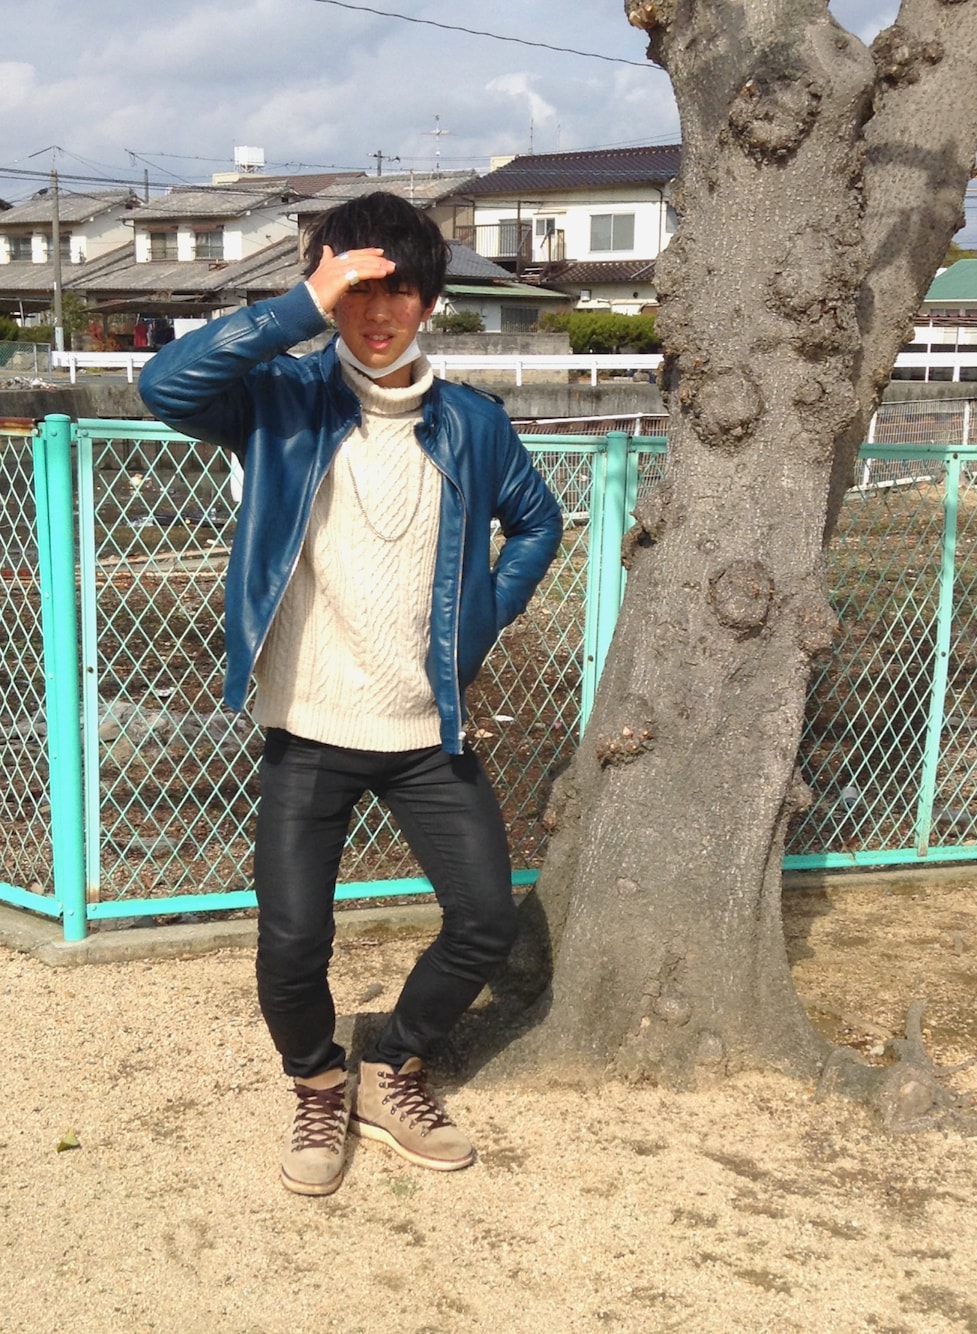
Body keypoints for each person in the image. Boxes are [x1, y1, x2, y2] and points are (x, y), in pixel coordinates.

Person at [139, 192, 563, 1196]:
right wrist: (300, 305)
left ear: (429, 301)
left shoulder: (471, 424)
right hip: (309, 727)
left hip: (425, 732)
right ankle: (319, 1082)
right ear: (326, 290)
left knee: (484, 918)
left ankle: (392, 1065)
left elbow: (537, 523)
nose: (377, 310)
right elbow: (164, 383)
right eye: (354, 289)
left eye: (399, 289)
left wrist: (480, 620)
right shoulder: (280, 401)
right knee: (291, 942)